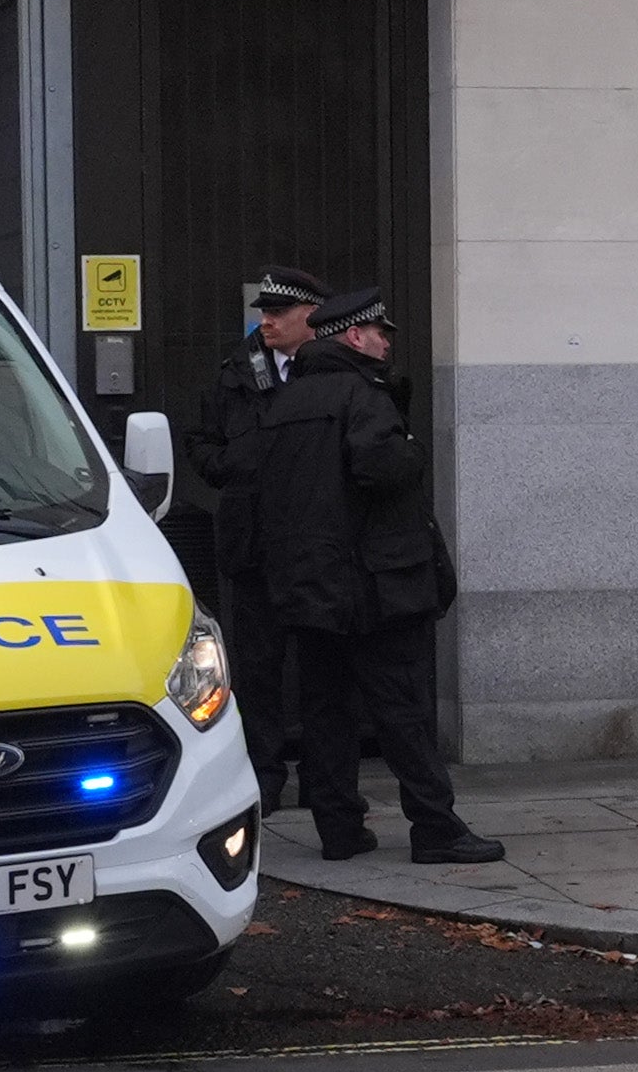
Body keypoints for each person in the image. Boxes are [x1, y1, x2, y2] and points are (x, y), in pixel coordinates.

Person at [251, 286, 502, 865]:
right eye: (380, 332)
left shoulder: (284, 401)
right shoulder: (363, 396)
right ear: (354, 337)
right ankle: (435, 827)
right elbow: (383, 469)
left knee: (325, 712)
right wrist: (409, 452)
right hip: (372, 585)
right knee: (401, 708)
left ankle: (339, 829)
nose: (388, 342)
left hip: (311, 588)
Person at [181, 264, 331, 815]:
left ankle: (325, 778)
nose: (265, 321)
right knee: (259, 667)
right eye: (263, 311)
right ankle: (264, 775)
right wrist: (237, 468)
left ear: (310, 315)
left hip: (318, 543)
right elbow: (199, 442)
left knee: (322, 668)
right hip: (253, 542)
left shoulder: (333, 369)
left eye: (277, 312)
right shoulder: (234, 373)